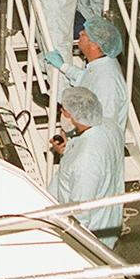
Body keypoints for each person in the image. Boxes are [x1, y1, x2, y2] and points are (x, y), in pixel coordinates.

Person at [49, 87, 125, 247]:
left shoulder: (85, 161)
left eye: (63, 111)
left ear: (72, 115)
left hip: (88, 237)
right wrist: (67, 150)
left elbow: (80, 214)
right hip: (108, 220)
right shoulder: (110, 126)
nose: (62, 115)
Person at [45, 18, 127, 128]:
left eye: (84, 34)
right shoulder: (102, 64)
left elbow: (105, 122)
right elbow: (85, 77)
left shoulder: (108, 81)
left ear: (94, 45)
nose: (80, 33)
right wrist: (63, 66)